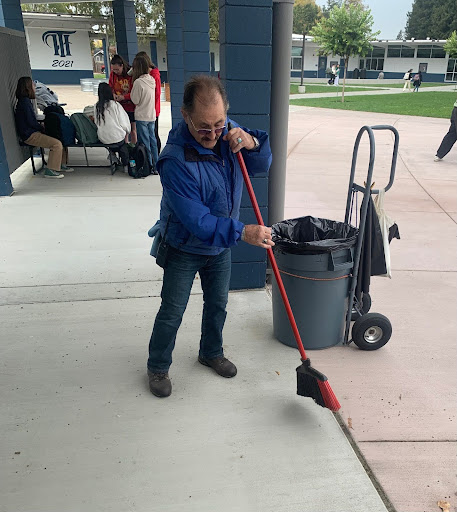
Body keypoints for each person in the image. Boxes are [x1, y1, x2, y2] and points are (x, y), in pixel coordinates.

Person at [146, 75, 273, 398]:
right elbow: (198, 222)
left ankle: (210, 352)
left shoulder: (225, 130)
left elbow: (260, 163)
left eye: (219, 124)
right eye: (204, 127)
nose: (213, 134)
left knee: (218, 304)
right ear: (185, 115)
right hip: (184, 247)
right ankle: (158, 366)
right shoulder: (174, 161)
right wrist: (242, 231)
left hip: (219, 247)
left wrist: (252, 142)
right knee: (172, 311)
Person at [14, 76, 73, 179]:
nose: (34, 87)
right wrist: (42, 128)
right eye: (32, 85)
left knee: (59, 137)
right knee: (56, 144)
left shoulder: (25, 101)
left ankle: (60, 164)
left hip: (31, 132)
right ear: (28, 87)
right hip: (30, 135)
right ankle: (51, 170)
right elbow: (31, 122)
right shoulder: (24, 103)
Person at [93, 82, 131, 173]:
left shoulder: (96, 106)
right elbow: (124, 122)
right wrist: (127, 131)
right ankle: (125, 164)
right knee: (122, 143)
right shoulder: (115, 105)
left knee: (111, 142)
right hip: (118, 138)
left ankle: (112, 156)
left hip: (103, 138)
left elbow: (96, 122)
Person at [129, 51, 162, 154]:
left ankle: (148, 164)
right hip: (152, 113)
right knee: (153, 139)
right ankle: (155, 163)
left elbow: (135, 100)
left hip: (143, 114)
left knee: (145, 141)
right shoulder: (152, 79)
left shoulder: (139, 82)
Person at [109, 54, 137, 144]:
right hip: (119, 107)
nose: (115, 72)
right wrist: (112, 94)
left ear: (122, 66)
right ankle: (125, 147)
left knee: (133, 129)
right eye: (114, 70)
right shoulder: (113, 75)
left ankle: (133, 148)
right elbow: (110, 86)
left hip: (130, 106)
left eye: (117, 69)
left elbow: (135, 91)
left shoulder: (130, 74)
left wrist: (124, 97)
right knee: (123, 129)